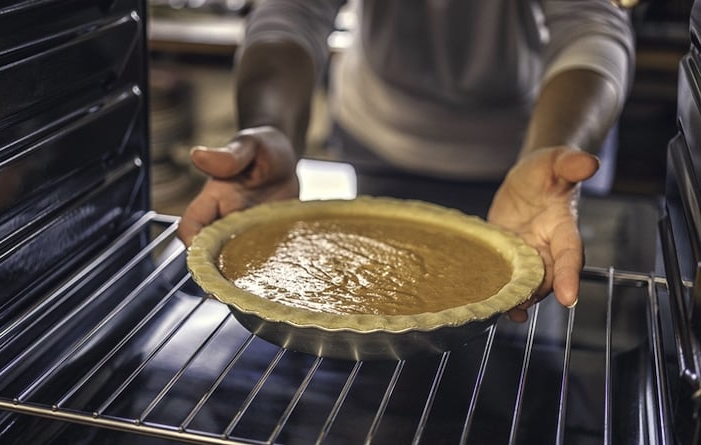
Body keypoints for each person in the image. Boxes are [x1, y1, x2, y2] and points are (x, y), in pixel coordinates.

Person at [177, 0, 635, 323]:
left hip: (530, 154)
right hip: (385, 134)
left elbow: (591, 26)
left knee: (525, 342)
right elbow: (292, 11)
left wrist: (550, 147)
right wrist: (271, 127)